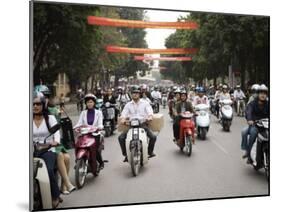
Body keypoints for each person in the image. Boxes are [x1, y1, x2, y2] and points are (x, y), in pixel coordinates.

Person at [33, 93, 62, 208]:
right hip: (32, 150)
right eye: (33, 104)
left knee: (49, 170)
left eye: (38, 104)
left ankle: (55, 195)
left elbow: (57, 133)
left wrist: (56, 141)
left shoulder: (50, 118)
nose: (35, 106)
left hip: (48, 149)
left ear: (43, 105)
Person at [118, 86, 157, 162]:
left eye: (136, 93)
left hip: (142, 124)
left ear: (139, 94)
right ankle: (126, 154)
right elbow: (123, 114)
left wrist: (150, 117)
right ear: (131, 94)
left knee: (153, 137)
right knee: (121, 138)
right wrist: (123, 119)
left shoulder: (145, 103)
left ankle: (150, 152)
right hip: (131, 125)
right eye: (133, 93)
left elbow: (150, 112)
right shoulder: (128, 104)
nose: (135, 95)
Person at [74, 94, 104, 169]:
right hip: (85, 134)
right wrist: (75, 127)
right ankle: (78, 160)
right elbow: (79, 123)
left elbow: (100, 124)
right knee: (78, 145)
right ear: (86, 103)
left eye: (91, 102)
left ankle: (101, 163)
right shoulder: (83, 113)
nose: (89, 104)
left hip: (95, 134)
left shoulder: (98, 113)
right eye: (88, 102)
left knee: (95, 150)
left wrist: (99, 128)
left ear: (94, 103)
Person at [240, 84, 269, 163]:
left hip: (266, 126)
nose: (263, 95)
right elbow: (248, 111)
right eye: (261, 93)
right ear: (258, 94)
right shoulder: (253, 103)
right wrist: (249, 119)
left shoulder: (268, 103)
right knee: (251, 133)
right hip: (255, 125)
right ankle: (249, 154)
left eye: (265, 93)